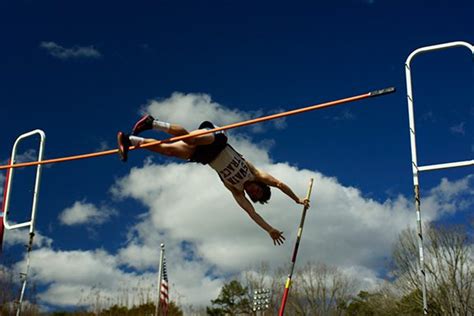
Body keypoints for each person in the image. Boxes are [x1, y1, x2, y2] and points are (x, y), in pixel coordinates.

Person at [117, 115, 309, 245]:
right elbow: (278, 184)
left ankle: (129, 140)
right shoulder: (255, 174)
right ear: (260, 185)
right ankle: (152, 123)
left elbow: (252, 213)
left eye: (253, 195)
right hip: (217, 140)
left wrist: (269, 230)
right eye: (257, 191)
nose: (252, 192)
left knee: (168, 151)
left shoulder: (237, 191)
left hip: (206, 158)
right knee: (191, 139)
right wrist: (296, 199)